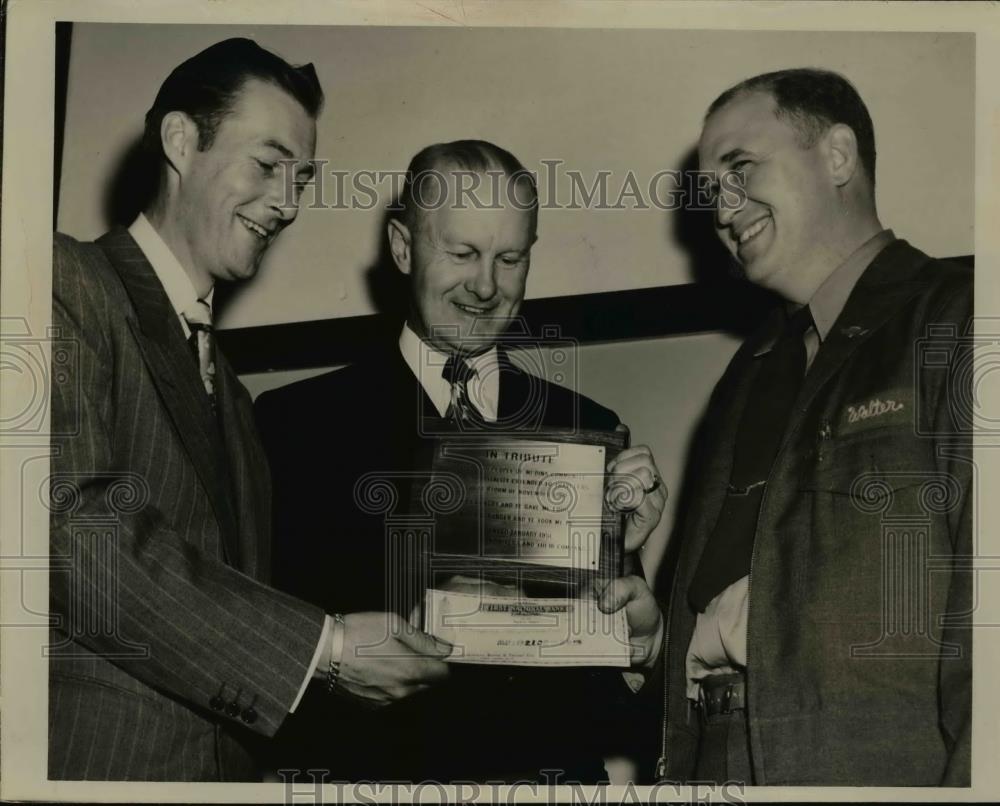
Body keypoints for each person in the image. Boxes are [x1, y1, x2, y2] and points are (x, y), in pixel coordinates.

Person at [48, 38, 450, 782]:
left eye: (302, 179)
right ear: (179, 140)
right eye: (267, 166)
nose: (288, 204)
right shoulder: (62, 282)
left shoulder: (229, 388)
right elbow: (76, 537)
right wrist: (325, 650)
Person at [255, 139, 667, 782]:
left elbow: (611, 689)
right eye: (463, 253)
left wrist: (634, 623)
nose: (485, 285)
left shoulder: (590, 429)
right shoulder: (290, 426)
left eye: (509, 258)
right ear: (402, 247)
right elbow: (272, 658)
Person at [652, 68, 972, 785]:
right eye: (712, 191)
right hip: (714, 758)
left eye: (741, 169)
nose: (724, 209)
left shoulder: (961, 319)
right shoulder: (753, 367)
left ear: (836, 156)